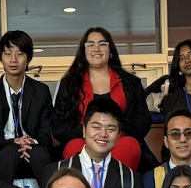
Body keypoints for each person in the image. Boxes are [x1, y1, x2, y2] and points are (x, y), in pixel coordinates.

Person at [52, 27, 152, 171]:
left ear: (110, 51)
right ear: (84, 51)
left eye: (102, 44)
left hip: (120, 140)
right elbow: (57, 126)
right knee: (73, 147)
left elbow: (144, 119)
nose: (96, 48)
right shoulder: (70, 84)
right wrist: (88, 132)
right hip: (82, 141)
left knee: (129, 145)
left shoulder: (130, 82)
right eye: (90, 44)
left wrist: (116, 131)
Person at [43, 98, 145, 188]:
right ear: (84, 130)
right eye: (96, 127)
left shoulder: (131, 179)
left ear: (119, 134)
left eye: (111, 129)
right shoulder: (53, 172)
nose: (103, 134)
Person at [0, 30, 54, 185]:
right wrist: (14, 142)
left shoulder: (41, 91)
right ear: (1, 58)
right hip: (4, 152)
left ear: (28, 58)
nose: (13, 60)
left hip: (34, 149)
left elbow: (45, 135)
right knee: (10, 153)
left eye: (19, 54)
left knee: (39, 154)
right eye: (7, 54)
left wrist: (30, 142)